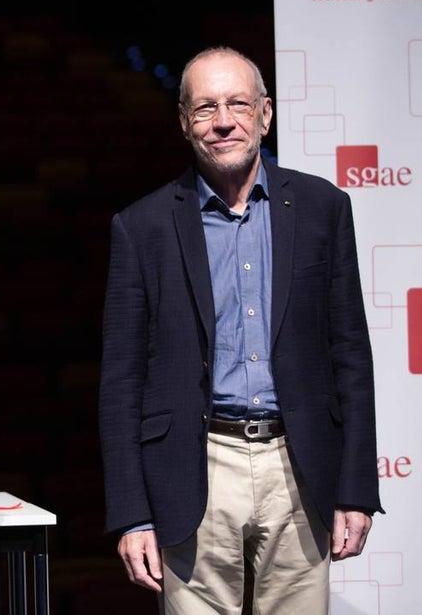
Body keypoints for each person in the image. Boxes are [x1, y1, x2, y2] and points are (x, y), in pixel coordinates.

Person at [98, 46, 383, 613]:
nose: (223, 121)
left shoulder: (324, 208)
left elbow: (351, 354)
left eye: (237, 104)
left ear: (266, 114)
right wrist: (132, 513)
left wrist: (356, 489)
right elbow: (121, 381)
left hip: (299, 471)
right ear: (183, 122)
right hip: (194, 468)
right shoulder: (141, 227)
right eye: (204, 108)